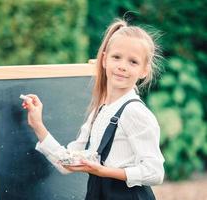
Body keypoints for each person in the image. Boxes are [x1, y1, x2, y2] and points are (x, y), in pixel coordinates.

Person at [21, 18, 165, 200]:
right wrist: (38, 125)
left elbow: (155, 172)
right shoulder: (99, 112)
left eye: (133, 62)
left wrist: (105, 171)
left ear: (144, 71)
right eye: (116, 57)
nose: (122, 66)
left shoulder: (136, 113)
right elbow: (66, 163)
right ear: (104, 60)